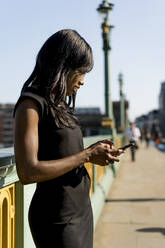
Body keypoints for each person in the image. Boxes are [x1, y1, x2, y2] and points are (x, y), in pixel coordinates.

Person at [13, 29, 123, 248]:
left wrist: (94, 152)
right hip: (58, 219)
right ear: (61, 66)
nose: (82, 81)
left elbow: (66, 152)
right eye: (80, 71)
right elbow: (27, 171)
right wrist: (87, 155)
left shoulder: (60, 105)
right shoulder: (31, 104)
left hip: (80, 211)